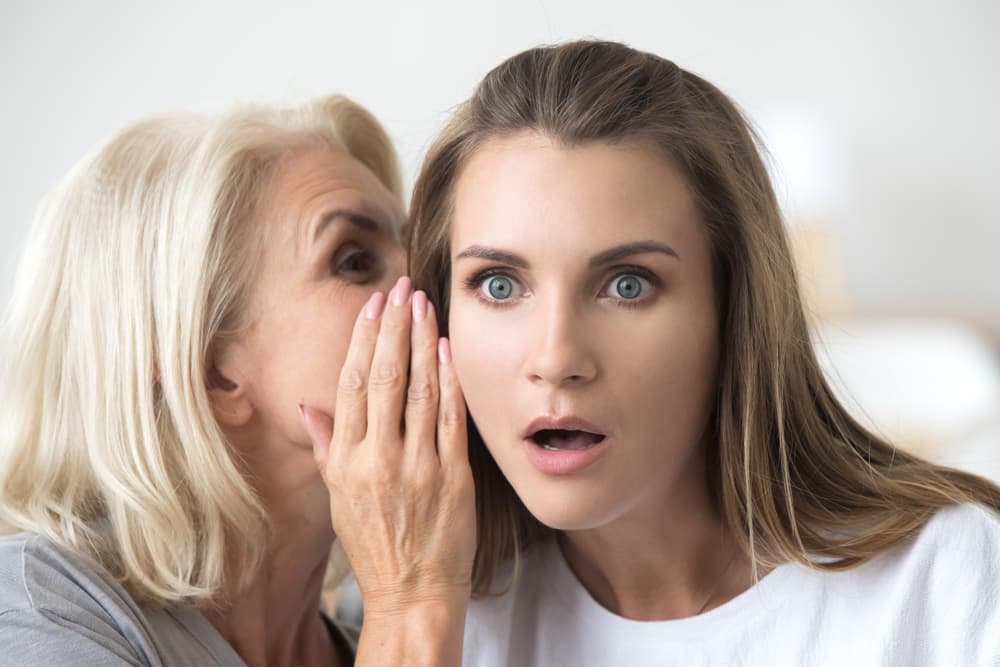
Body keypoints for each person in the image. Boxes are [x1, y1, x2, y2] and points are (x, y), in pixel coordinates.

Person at [308, 40, 1000, 665]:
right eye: (498, 284)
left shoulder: (947, 583)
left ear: (733, 311)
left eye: (627, 285)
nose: (556, 357)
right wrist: (413, 607)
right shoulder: (427, 618)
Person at [0, 94, 469, 666]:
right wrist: (410, 598)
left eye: (418, 248)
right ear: (208, 369)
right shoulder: (36, 612)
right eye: (352, 260)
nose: (430, 283)